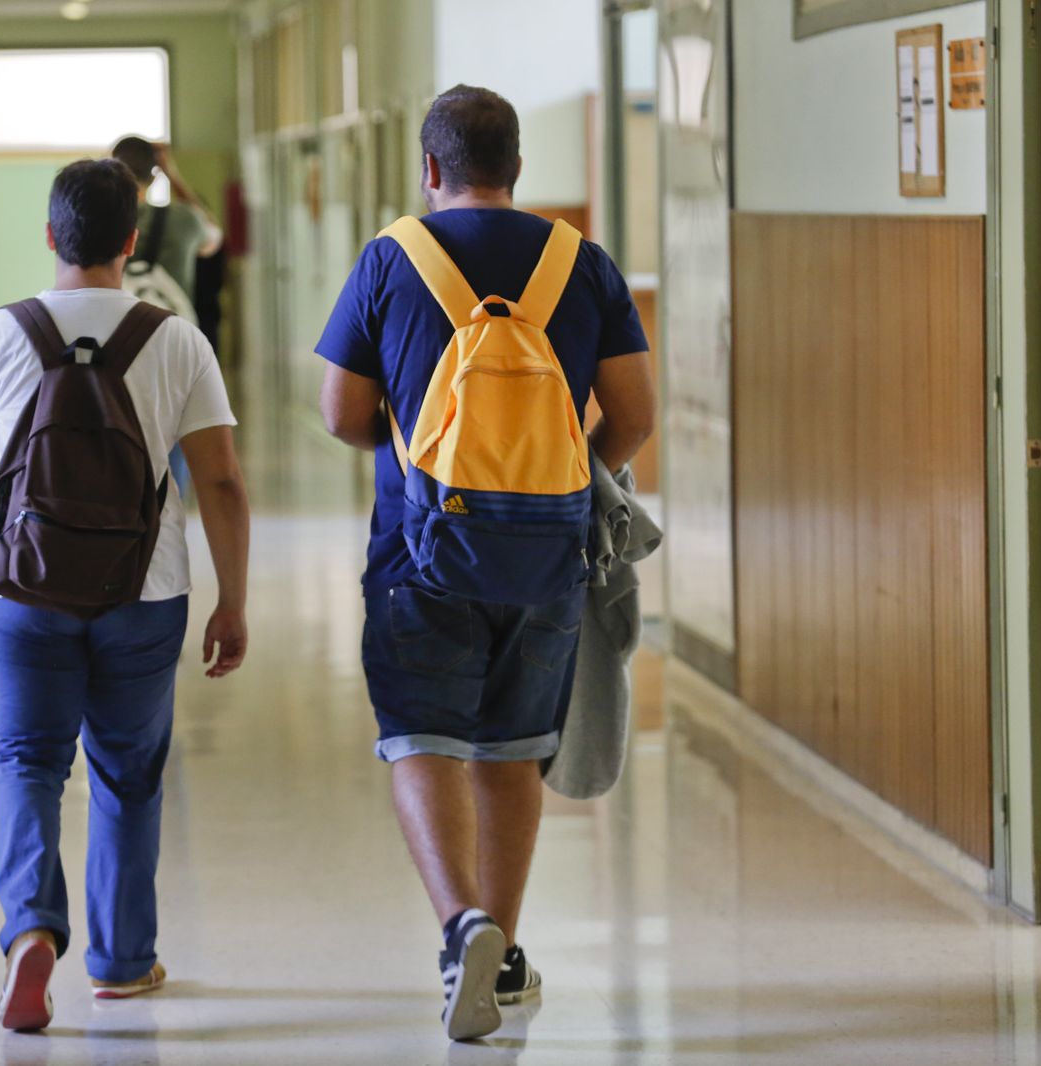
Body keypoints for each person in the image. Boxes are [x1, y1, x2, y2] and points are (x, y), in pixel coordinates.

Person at [315, 85, 656, 1041]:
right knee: (512, 748)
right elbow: (635, 413)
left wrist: (417, 453)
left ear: (431, 167)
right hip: (546, 551)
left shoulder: (393, 257)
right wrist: (562, 481)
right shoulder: (580, 261)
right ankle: (502, 956)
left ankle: (461, 923)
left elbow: (341, 413)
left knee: (420, 737)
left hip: (419, 548)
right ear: (516, 166)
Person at [0, 158, 251, 1032]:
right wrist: (233, 599)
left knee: (24, 761)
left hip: (21, 590)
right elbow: (221, 482)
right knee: (129, 774)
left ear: (50, 236)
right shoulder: (176, 340)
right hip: (146, 590)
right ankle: (124, 963)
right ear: (131, 241)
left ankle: (31, 928)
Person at [112, 136, 225, 495]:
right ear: (154, 172)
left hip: (118, 339)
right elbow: (214, 239)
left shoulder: (106, 219)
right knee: (174, 430)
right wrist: (173, 175)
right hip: (172, 340)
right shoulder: (183, 220)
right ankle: (167, 502)